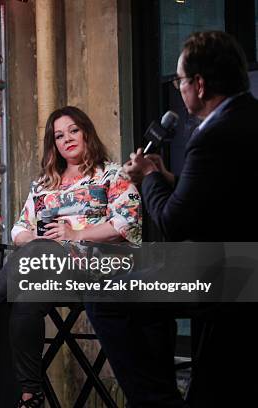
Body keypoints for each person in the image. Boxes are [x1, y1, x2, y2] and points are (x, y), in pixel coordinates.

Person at [88, 31, 258, 407]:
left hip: (228, 272)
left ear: (199, 83)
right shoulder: (249, 117)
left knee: (104, 295)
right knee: (146, 297)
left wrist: (146, 178)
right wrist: (169, 180)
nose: (179, 88)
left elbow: (174, 223)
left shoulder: (212, 135)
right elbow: (223, 196)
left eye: (181, 80)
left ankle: (156, 401)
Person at [0, 106, 142, 408]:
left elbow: (129, 224)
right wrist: (40, 240)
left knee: (32, 264)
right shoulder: (45, 184)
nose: (67, 139)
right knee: (25, 294)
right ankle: (31, 395)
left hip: (96, 270)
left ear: (86, 132)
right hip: (47, 268)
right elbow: (19, 231)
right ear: (53, 144)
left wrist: (74, 234)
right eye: (59, 135)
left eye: (73, 130)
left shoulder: (112, 175)